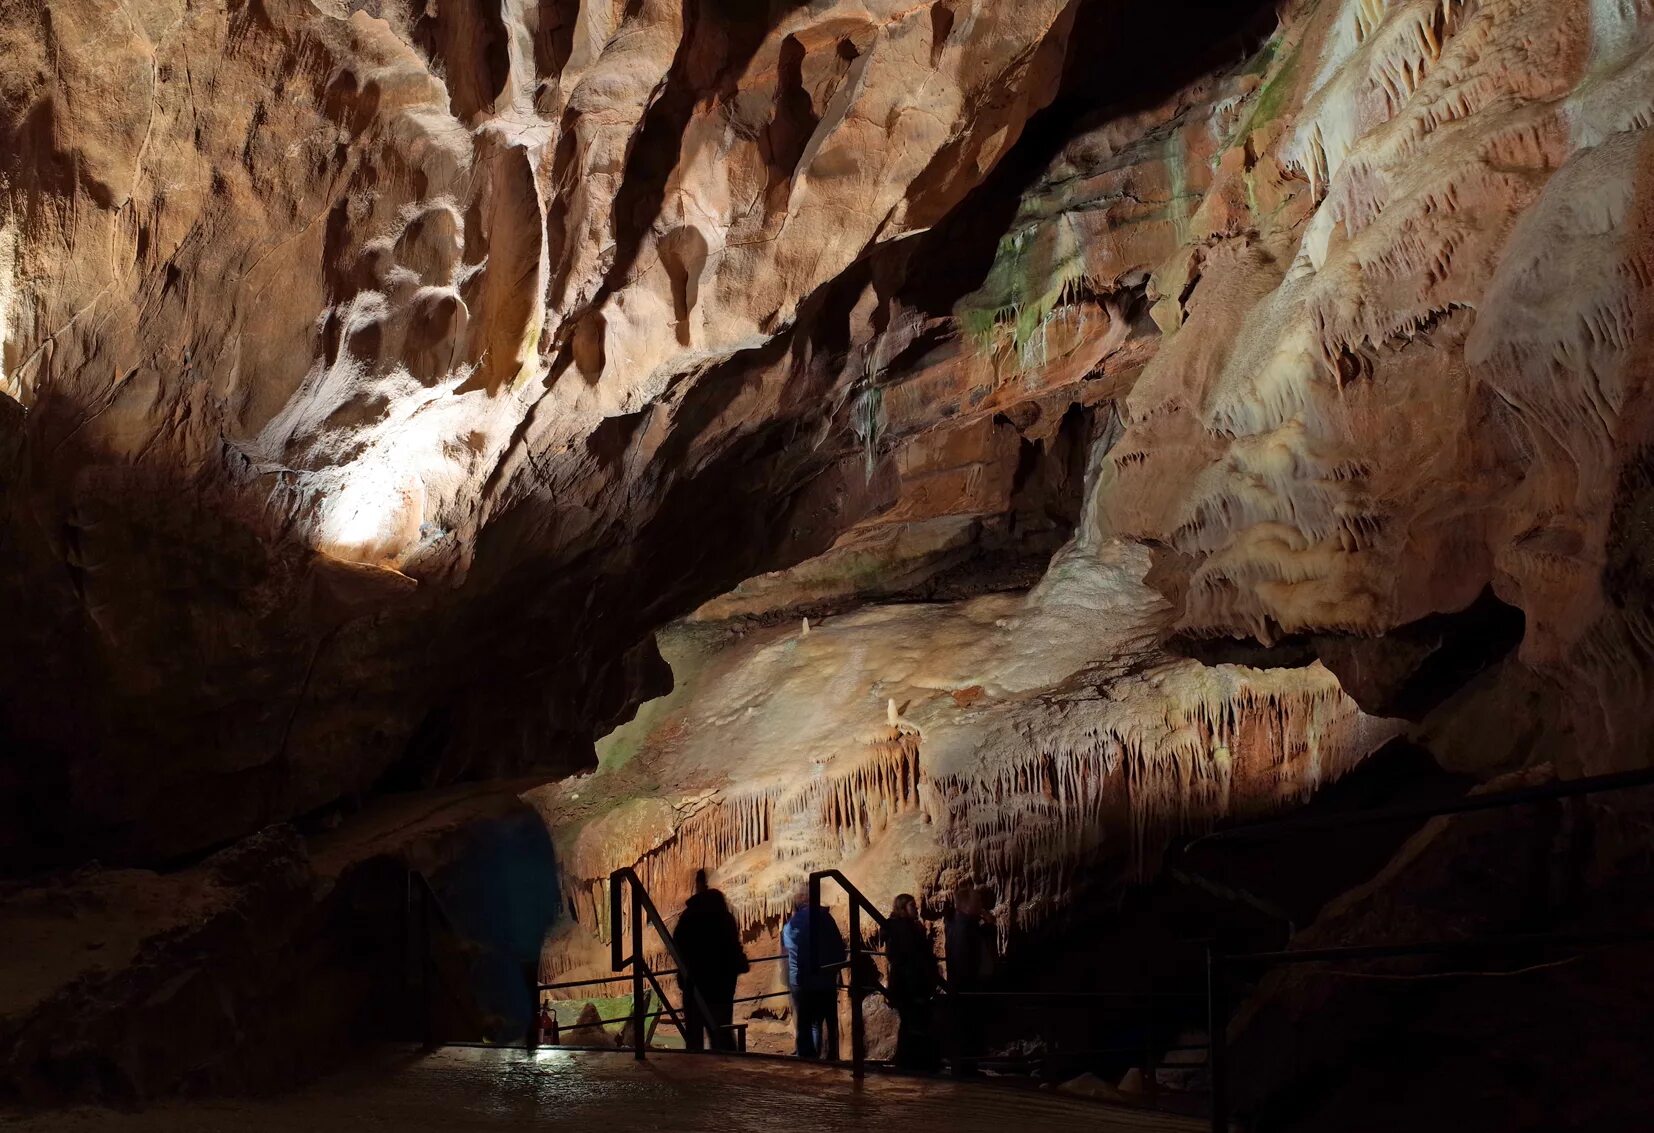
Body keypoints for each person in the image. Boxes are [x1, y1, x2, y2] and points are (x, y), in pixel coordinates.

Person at [671, 869, 749, 1051]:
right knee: (721, 1031)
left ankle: (695, 1072)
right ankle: (726, 1067)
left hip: (695, 982)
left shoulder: (689, 917)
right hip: (722, 985)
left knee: (694, 1035)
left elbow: (677, 944)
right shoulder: (724, 918)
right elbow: (732, 947)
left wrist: (687, 969)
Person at [781, 880, 845, 1059]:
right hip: (825, 979)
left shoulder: (792, 924)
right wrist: (835, 969)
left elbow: (790, 951)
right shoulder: (825, 917)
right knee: (827, 1023)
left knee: (805, 1025)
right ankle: (832, 1058)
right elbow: (838, 948)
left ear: (799, 899)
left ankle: (808, 1060)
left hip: (801, 982)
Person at [884, 893, 941, 1072]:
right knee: (914, 1022)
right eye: (912, 906)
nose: (916, 909)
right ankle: (913, 1062)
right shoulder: (903, 929)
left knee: (911, 1022)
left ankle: (910, 1061)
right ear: (902, 908)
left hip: (909, 983)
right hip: (910, 984)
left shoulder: (908, 927)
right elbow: (911, 957)